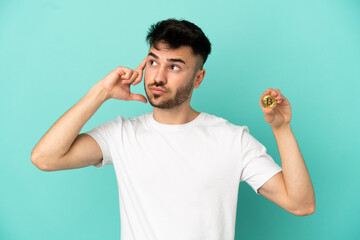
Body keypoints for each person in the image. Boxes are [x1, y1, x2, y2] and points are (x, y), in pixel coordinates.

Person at [31, 19, 315, 240]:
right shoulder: (120, 135)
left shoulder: (231, 140)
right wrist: (101, 92)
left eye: (175, 67)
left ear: (198, 78)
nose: (158, 76)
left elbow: (301, 204)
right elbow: (45, 158)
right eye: (153, 61)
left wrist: (282, 128)